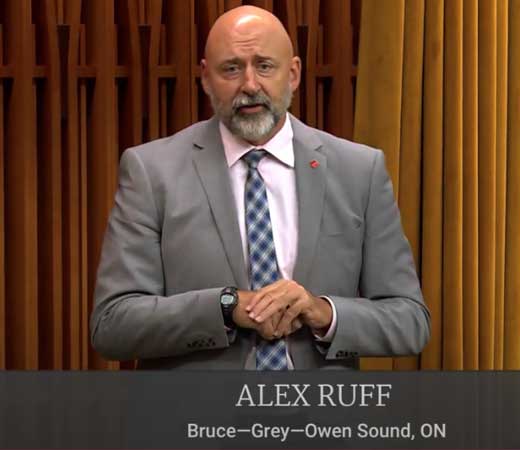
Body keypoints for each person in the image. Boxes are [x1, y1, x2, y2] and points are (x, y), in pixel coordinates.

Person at [90, 5, 430, 370]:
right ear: (206, 78)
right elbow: (113, 325)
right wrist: (226, 307)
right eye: (231, 68)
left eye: (265, 66)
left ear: (294, 73)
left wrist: (322, 312)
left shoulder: (359, 171)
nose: (250, 85)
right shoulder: (152, 172)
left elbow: (410, 321)